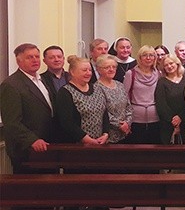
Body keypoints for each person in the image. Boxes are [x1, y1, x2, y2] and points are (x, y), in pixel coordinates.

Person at [0, 43, 55, 173]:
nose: (35, 60)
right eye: (30, 57)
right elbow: (11, 122)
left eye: (37, 56)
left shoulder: (42, 79)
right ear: (19, 61)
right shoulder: (11, 85)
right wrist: (32, 140)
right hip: (27, 148)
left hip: (47, 143)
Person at [55, 55, 109, 145]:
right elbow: (67, 122)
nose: (88, 73)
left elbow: (105, 113)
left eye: (90, 70)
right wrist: (86, 139)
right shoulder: (65, 92)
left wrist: (105, 134)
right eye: (84, 70)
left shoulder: (97, 88)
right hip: (76, 144)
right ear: (72, 72)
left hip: (100, 142)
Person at [123, 45, 161, 144]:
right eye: (145, 55)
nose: (148, 58)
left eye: (151, 55)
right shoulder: (130, 74)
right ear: (139, 57)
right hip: (136, 119)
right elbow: (124, 97)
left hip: (155, 119)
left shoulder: (159, 74)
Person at [95, 54, 132, 144]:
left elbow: (128, 106)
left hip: (125, 133)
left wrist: (127, 123)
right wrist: (120, 125)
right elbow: (102, 112)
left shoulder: (120, 84)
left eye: (114, 67)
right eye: (107, 67)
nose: (111, 69)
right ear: (99, 69)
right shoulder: (96, 88)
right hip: (108, 136)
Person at [155, 54, 185, 145]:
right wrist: (173, 120)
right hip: (167, 123)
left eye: (171, 63)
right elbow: (161, 104)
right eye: (166, 65)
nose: (169, 66)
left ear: (177, 63)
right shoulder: (162, 82)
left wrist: (180, 117)